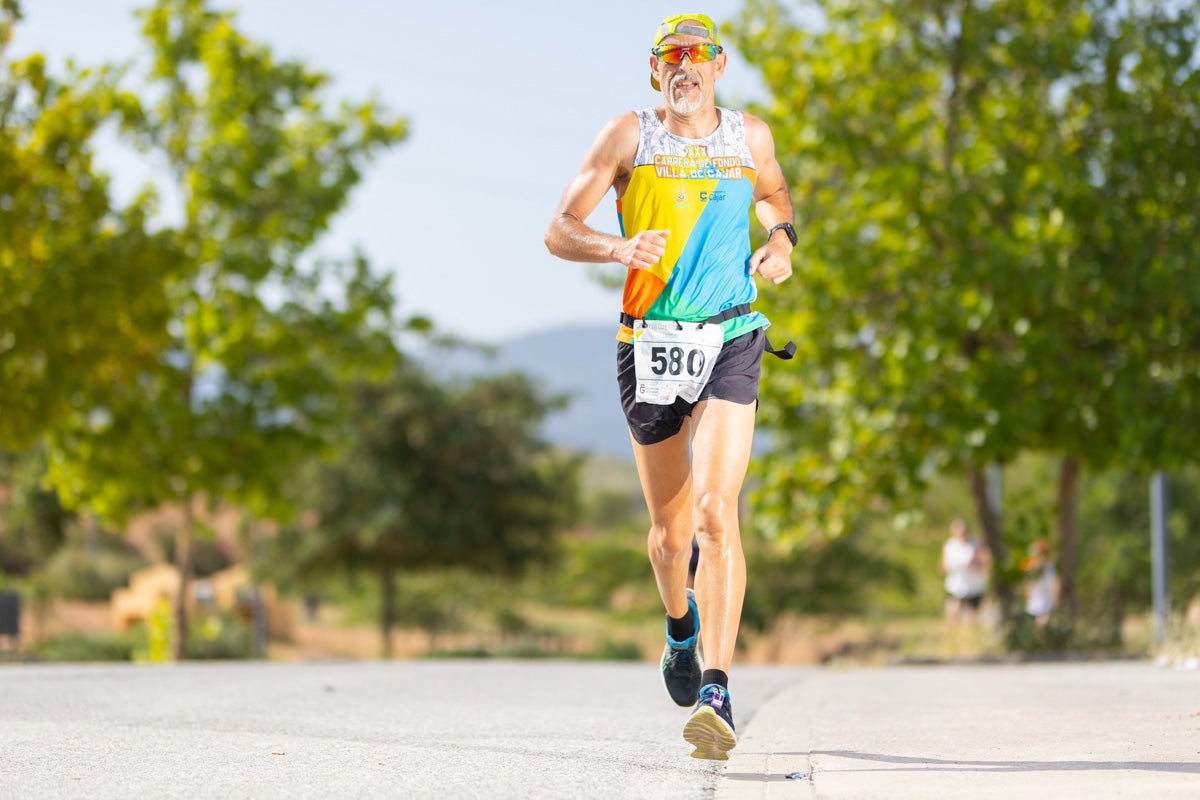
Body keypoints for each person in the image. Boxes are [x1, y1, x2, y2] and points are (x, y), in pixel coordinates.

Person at [544, 13, 795, 760]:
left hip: (730, 333)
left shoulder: (748, 137)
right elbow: (559, 228)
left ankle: (716, 687)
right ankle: (680, 626)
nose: (686, 67)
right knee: (669, 535)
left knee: (720, 512)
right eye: (671, 58)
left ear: (719, 66)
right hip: (648, 342)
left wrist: (780, 241)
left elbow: (776, 198)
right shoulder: (628, 136)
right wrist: (618, 245)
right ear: (656, 72)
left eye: (699, 56)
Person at [939, 518, 990, 624]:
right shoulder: (950, 545)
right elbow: (942, 565)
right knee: (952, 611)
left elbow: (985, 562)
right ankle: (952, 637)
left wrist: (978, 565)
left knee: (971, 619)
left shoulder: (976, 544)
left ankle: (967, 638)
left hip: (974, 586)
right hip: (956, 586)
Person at [1021, 539, 1059, 627]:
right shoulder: (1031, 567)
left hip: (1045, 597)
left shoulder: (1049, 567)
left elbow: (1052, 583)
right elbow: (1029, 584)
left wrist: (1054, 599)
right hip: (1035, 597)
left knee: (1043, 620)